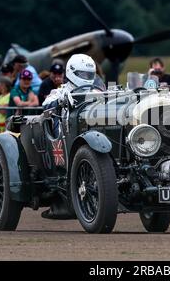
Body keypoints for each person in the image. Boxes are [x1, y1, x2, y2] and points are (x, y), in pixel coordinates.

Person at [41, 53, 97, 220]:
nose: (87, 78)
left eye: (90, 75)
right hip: (66, 139)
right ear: (72, 73)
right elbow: (46, 105)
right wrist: (60, 101)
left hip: (93, 138)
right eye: (83, 75)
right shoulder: (59, 92)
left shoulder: (97, 92)